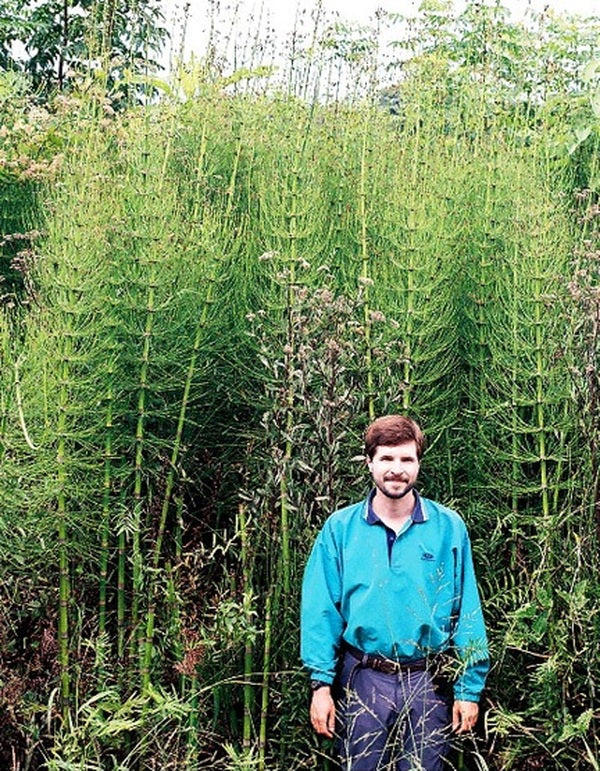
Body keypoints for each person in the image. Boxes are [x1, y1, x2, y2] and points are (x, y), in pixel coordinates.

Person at [300, 415, 489, 771]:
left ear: (418, 463)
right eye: (386, 458)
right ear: (369, 462)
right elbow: (320, 611)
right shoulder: (340, 529)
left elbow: (466, 610)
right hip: (363, 677)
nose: (396, 469)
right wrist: (320, 685)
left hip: (428, 680)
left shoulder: (448, 527)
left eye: (406, 459)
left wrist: (468, 689)